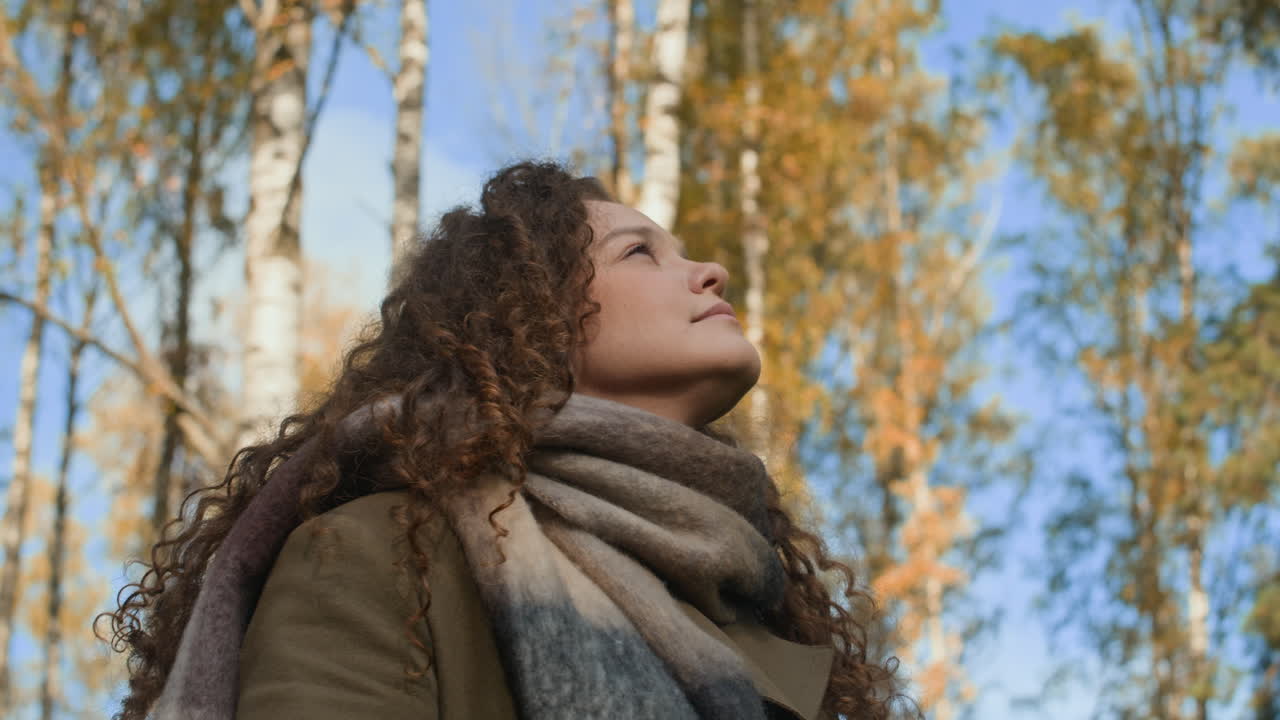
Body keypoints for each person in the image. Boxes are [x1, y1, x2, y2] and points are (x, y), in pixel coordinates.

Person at [98, 161, 910, 720]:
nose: (709, 273)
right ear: (535, 321)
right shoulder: (383, 557)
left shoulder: (765, 617)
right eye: (640, 252)